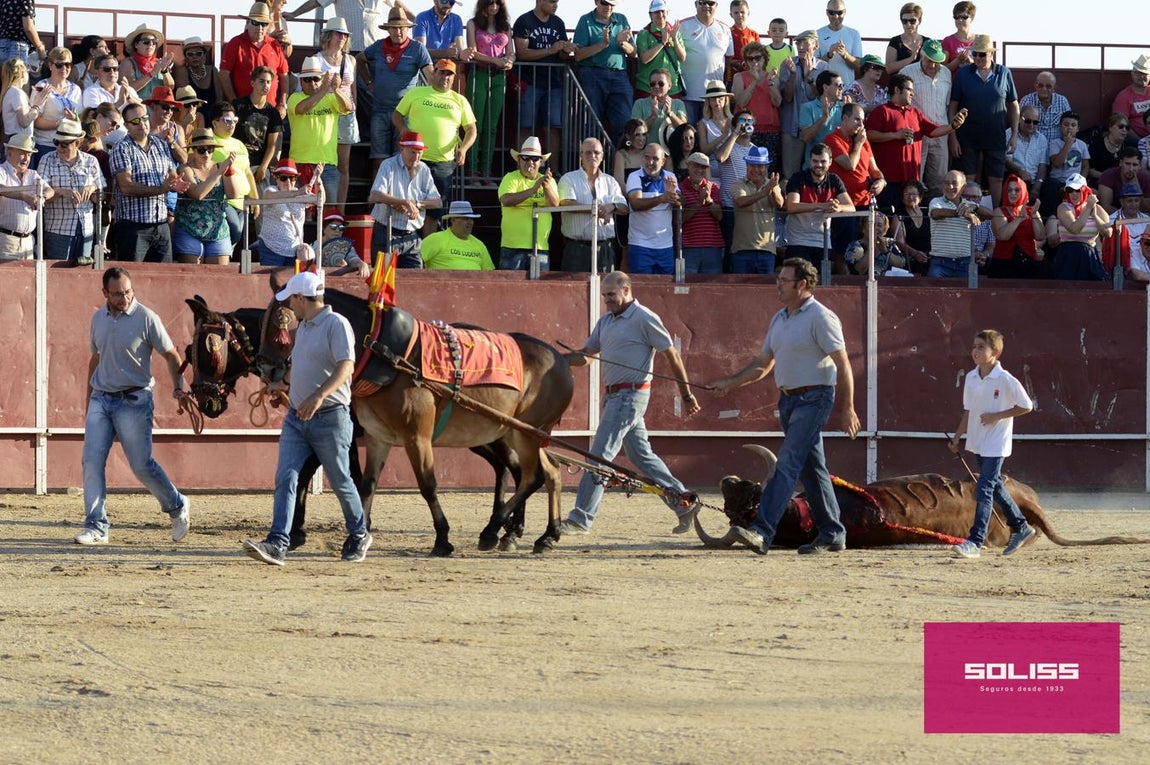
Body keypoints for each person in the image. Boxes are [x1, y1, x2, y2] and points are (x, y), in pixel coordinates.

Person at [707, 256, 860, 555]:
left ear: (802, 284)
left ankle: (762, 532)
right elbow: (763, 365)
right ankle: (832, 532)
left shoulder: (821, 316)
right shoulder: (780, 318)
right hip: (789, 400)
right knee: (812, 469)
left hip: (815, 398)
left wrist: (848, 407)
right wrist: (730, 383)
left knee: (787, 465)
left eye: (783, 280)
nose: (777, 283)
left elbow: (843, 364)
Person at [243, 271, 373, 566]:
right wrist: (282, 384)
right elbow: (299, 366)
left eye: (292, 299)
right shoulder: (304, 328)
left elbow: (346, 367)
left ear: (302, 298)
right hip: (297, 417)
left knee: (341, 480)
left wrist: (318, 396)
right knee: (286, 478)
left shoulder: (336, 324)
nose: (289, 305)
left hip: (330, 417)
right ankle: (278, 542)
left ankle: (359, 533)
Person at [559, 271, 702, 535]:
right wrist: (558, 359)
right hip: (615, 396)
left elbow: (672, 355)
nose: (607, 300)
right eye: (604, 296)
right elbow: (587, 357)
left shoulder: (644, 318)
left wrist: (686, 394)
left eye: (611, 295)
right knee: (642, 457)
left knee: (599, 457)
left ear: (626, 290)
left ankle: (580, 519)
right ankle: (684, 502)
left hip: (630, 396)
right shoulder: (605, 322)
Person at [76, 266, 191, 546]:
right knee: (91, 462)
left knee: (141, 466)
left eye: (128, 292)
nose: (124, 298)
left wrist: (179, 386)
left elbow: (171, 354)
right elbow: (96, 358)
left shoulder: (146, 318)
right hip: (101, 399)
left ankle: (177, 506)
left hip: (134, 400)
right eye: (117, 294)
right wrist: (88, 398)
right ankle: (97, 526)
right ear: (105, 293)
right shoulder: (97, 318)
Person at [948, 329, 1035, 559]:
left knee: (984, 488)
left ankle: (975, 541)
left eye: (980, 347)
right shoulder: (971, 377)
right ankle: (1021, 526)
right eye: (974, 346)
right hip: (977, 440)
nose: (974, 351)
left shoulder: (1006, 379)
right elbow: (968, 410)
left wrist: (997, 416)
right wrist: (958, 437)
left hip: (997, 442)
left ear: (994, 352)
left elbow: (1026, 406)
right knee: (994, 485)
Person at [866, 73, 964, 211]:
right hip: (889, 180)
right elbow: (869, 135)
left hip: (912, 181)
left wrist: (953, 126)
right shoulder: (882, 111)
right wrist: (896, 135)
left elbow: (933, 131)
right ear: (897, 90)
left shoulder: (915, 113)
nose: (912, 94)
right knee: (891, 217)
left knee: (910, 220)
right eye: (909, 90)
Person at [393, 58, 476, 215]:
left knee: (435, 210)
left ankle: (428, 240)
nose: (445, 77)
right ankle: (409, 238)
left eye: (449, 74)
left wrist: (464, 149)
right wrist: (403, 130)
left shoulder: (460, 100)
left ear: (454, 77)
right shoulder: (416, 92)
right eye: (442, 72)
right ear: (434, 73)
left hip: (443, 163)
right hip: (414, 158)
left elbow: (471, 129)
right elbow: (396, 115)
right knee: (408, 204)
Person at [110, 101, 186, 262]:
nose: (142, 124)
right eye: (135, 121)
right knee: (132, 277)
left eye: (144, 118)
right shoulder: (121, 148)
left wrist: (175, 184)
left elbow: (172, 175)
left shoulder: (160, 144)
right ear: (127, 125)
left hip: (161, 224)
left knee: (164, 280)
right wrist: (161, 189)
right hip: (133, 226)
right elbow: (126, 186)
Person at [948, 34, 1018, 206]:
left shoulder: (1004, 73)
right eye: (975, 54)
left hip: (995, 135)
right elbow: (952, 107)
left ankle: (995, 216)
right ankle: (966, 215)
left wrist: (1014, 134)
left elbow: (1014, 105)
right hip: (967, 136)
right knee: (968, 179)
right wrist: (953, 137)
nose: (977, 58)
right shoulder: (963, 74)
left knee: (996, 179)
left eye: (982, 54)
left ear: (991, 54)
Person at [359, 6, 432, 167]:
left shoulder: (418, 49)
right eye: (394, 28)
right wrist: (369, 82)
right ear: (388, 30)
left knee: (402, 160)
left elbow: (431, 77)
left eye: (402, 28)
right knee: (379, 160)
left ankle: (398, 193)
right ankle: (377, 192)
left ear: (408, 29)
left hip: (405, 114)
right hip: (379, 111)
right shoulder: (378, 46)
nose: (398, 32)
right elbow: (360, 59)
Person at [367, 130, 441, 268]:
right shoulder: (388, 165)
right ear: (402, 149)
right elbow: (375, 195)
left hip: (412, 237)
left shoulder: (424, 169)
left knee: (415, 282)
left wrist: (416, 204)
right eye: (412, 152)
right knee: (383, 281)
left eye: (420, 152)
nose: (416, 156)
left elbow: (437, 202)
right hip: (387, 233)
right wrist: (402, 202)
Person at [38, 118, 102, 264]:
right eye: (56, 142)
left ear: (78, 143)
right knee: (57, 276)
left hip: (86, 229)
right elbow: (40, 194)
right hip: (58, 230)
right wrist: (61, 192)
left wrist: (93, 187)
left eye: (64, 144)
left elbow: (102, 193)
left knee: (83, 275)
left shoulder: (91, 161)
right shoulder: (46, 160)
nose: (59, 147)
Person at [287, 56, 351, 203]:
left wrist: (336, 89)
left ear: (322, 79)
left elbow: (348, 107)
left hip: (327, 163)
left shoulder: (330, 98)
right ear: (301, 82)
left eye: (315, 79)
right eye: (307, 79)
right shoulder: (295, 97)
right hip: (301, 162)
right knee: (301, 210)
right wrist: (322, 91)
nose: (312, 83)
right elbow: (301, 109)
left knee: (329, 208)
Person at [558, 137, 626, 272]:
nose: (592, 156)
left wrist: (611, 206)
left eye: (596, 152)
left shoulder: (610, 181)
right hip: (576, 249)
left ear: (602, 156)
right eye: (588, 152)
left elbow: (624, 207)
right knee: (573, 291)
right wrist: (597, 209)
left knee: (605, 291)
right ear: (580, 156)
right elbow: (566, 204)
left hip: (605, 248)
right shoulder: (568, 178)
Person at [512, 0, 575, 143]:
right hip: (529, 82)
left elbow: (561, 56)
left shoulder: (558, 23)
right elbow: (521, 53)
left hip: (553, 83)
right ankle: (522, 164)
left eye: (557, 2)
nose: (556, 5)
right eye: (552, 1)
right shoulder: (524, 21)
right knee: (525, 127)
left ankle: (555, 166)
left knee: (553, 128)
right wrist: (550, 50)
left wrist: (565, 50)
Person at [572, 0, 635, 142]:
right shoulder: (585, 20)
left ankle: (620, 162)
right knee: (590, 124)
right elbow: (578, 55)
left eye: (612, 4)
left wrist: (622, 43)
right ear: (596, 2)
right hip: (591, 75)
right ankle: (591, 163)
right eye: (604, 3)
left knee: (624, 124)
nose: (609, 7)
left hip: (619, 76)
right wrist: (603, 44)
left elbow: (633, 52)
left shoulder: (622, 19)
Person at [173, 128, 238, 265]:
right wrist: (219, 173)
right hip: (188, 228)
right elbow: (197, 194)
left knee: (220, 277)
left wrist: (229, 170)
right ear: (193, 150)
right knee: (190, 276)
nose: (207, 154)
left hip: (218, 230)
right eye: (202, 150)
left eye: (210, 149)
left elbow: (233, 195)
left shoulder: (220, 167)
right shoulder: (185, 169)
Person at [784, 142, 853, 269]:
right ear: (809, 161)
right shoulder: (798, 178)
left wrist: (838, 208)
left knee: (822, 282)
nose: (819, 165)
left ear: (830, 161)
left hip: (823, 243)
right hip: (798, 241)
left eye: (823, 161)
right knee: (799, 280)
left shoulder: (834, 180)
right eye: (815, 161)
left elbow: (851, 207)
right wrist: (822, 206)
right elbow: (792, 207)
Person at [466, 0, 514, 178]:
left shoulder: (505, 26)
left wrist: (510, 61)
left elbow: (511, 52)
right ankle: (472, 169)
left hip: (498, 77)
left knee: (492, 127)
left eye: (498, 3)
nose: (494, 6)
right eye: (491, 2)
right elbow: (471, 51)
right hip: (478, 74)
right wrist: (494, 60)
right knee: (475, 123)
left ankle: (486, 171)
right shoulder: (473, 23)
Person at [314, 17, 358, 208]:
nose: (342, 37)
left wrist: (351, 107)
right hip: (324, 116)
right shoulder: (316, 59)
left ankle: (340, 210)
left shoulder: (351, 60)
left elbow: (353, 89)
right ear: (329, 35)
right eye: (338, 33)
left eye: (344, 34)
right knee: (322, 164)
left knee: (344, 165)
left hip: (346, 115)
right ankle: (322, 207)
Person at [498, 135, 558, 270]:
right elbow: (506, 200)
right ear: (519, 160)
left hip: (540, 247)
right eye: (525, 158)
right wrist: (533, 190)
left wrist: (546, 187)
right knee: (510, 289)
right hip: (512, 247)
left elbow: (554, 205)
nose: (530, 162)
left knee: (540, 290)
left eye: (535, 159)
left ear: (541, 162)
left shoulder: (548, 181)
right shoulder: (510, 177)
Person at [220, 3, 290, 115]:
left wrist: (283, 104)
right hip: (242, 111)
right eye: (255, 23)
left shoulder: (275, 45)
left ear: (268, 26)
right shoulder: (235, 43)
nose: (260, 28)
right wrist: (234, 102)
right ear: (248, 23)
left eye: (264, 24)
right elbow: (224, 74)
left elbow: (284, 76)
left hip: (270, 111)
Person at [902, 38, 951, 197]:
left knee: (939, 181)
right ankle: (913, 220)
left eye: (936, 61)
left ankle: (935, 218)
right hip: (917, 134)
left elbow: (948, 105)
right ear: (921, 55)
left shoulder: (946, 73)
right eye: (929, 60)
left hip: (940, 132)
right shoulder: (907, 72)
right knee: (914, 179)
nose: (932, 65)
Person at [206, 101, 258, 248]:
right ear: (215, 123)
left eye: (234, 121)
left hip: (242, 203)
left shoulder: (239, 144)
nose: (232, 125)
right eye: (227, 121)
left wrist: (255, 199)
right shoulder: (208, 142)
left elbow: (248, 172)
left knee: (232, 242)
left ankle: (222, 266)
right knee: (234, 233)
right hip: (222, 200)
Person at [776, 29, 825, 180]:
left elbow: (822, 99)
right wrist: (793, 75)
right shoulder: (787, 65)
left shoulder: (824, 68)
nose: (801, 47)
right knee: (790, 174)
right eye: (798, 43)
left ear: (816, 45)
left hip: (815, 129)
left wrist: (809, 78)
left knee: (817, 173)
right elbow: (787, 98)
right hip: (791, 127)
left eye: (805, 43)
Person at [625, 143, 679, 274]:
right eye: (647, 157)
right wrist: (662, 198)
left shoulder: (670, 177)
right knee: (642, 288)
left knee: (665, 290)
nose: (650, 162)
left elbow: (681, 202)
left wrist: (674, 196)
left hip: (665, 246)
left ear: (663, 161)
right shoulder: (635, 176)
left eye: (655, 158)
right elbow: (636, 204)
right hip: (640, 245)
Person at [253, 158, 315, 267]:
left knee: (291, 283)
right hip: (271, 248)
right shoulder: (271, 190)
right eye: (283, 178)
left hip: (294, 251)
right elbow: (268, 197)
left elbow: (320, 200)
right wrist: (298, 193)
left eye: (292, 178)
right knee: (270, 282)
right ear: (276, 178)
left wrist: (318, 179)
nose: (288, 182)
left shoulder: (299, 193)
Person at [730, 144, 782, 273]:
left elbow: (780, 204)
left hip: (766, 250)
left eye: (760, 166)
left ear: (767, 167)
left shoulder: (772, 184)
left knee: (765, 292)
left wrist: (772, 189)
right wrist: (764, 192)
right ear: (746, 165)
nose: (755, 169)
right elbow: (741, 202)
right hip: (742, 249)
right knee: (740, 292)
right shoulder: (738, 184)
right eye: (752, 165)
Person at [679, 0, 733, 125]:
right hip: (688, 94)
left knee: (711, 136)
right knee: (688, 136)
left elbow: (729, 60)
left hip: (714, 96)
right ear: (695, 4)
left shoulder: (725, 29)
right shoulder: (682, 26)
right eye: (702, 3)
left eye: (710, 3)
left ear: (716, 6)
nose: (706, 6)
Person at [1049, 173, 1110, 281]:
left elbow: (1108, 233)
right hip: (1068, 255)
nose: (1074, 194)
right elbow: (1074, 229)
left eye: (1077, 190)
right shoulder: (1063, 207)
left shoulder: (1097, 209)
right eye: (1070, 190)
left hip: (1089, 255)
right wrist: (1088, 210)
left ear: (1085, 190)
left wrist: (1095, 215)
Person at [31, 46, 83, 167]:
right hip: (46, 145)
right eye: (59, 65)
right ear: (50, 66)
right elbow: (35, 121)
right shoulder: (42, 87)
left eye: (68, 64)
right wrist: (60, 123)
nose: (64, 68)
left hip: (70, 146)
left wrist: (74, 119)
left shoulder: (76, 89)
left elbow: (80, 118)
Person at [731, 41, 782, 164]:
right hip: (746, 130)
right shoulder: (739, 77)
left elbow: (777, 102)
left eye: (757, 58)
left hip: (770, 130)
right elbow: (741, 102)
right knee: (746, 168)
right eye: (750, 59)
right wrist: (755, 81)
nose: (754, 62)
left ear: (764, 59)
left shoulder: (772, 77)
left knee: (769, 169)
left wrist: (769, 82)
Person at [231, 66, 282, 186]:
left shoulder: (273, 113)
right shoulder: (238, 106)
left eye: (269, 82)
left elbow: (272, 146)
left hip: (259, 166)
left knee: (259, 204)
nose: (266, 85)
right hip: (237, 164)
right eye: (262, 81)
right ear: (252, 82)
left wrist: (263, 168)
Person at [988, 173, 1045, 279]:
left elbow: (1041, 236)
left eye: (1017, 190)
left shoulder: (1032, 211)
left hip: (1028, 263)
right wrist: (1019, 219)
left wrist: (1033, 216)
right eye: (1009, 190)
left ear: (1023, 191)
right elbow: (1002, 236)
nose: (1013, 193)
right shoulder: (999, 211)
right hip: (1004, 264)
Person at [0, 133, 48, 259]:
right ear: (9, 152)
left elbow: (50, 190)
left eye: (29, 154)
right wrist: (24, 196)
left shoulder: (33, 174)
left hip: (28, 242)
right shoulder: (1, 171)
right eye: (22, 153)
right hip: (6, 241)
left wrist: (42, 197)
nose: (26, 158)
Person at [927, 169, 981, 277]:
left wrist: (975, 207)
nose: (950, 187)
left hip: (965, 262)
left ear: (963, 187)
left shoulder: (969, 205)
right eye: (946, 183)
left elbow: (990, 214)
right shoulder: (936, 202)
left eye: (954, 183)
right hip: (940, 262)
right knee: (934, 292)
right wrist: (964, 213)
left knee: (966, 294)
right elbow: (936, 213)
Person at [679, 151, 723, 273]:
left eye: (703, 167)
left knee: (712, 289)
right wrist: (698, 203)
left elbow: (719, 216)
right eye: (696, 166)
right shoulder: (680, 188)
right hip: (688, 247)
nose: (699, 170)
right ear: (688, 166)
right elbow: (679, 219)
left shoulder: (713, 187)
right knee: (687, 288)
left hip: (712, 247)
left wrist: (708, 200)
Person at [421, 200, 495, 270]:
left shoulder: (479, 244)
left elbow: (490, 273)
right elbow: (416, 260)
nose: (470, 222)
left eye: (471, 219)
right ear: (453, 220)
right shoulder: (436, 239)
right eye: (465, 219)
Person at [1042, 110, 1089, 218]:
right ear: (1060, 126)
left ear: (1078, 128)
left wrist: (1082, 181)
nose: (1069, 128)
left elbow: (1086, 166)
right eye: (1066, 124)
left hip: (1074, 182)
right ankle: (1051, 218)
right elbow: (1057, 163)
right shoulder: (1054, 143)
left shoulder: (1082, 145)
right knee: (1051, 186)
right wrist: (1067, 145)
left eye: (1073, 125)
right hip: (1058, 181)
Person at [634, 0, 685, 101]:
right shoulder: (643, 34)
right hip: (648, 88)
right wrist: (662, 42)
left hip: (672, 88)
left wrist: (674, 38)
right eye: (656, 12)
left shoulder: (675, 33)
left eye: (663, 11)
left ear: (667, 13)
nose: (660, 14)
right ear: (650, 15)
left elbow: (682, 58)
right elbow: (644, 58)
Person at [799, 70, 844, 170]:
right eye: (838, 85)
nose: (842, 88)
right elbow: (806, 137)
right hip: (815, 169)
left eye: (842, 85)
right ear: (826, 87)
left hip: (839, 168)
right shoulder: (808, 108)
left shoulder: (844, 107)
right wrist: (824, 118)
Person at [632, 68, 687, 146]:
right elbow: (634, 132)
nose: (656, 86)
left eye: (661, 83)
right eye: (653, 84)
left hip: (670, 153)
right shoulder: (639, 103)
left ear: (669, 85)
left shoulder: (678, 103)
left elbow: (684, 129)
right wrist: (653, 117)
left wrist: (670, 114)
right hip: (647, 153)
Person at [1003, 105, 1048, 202]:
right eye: (1028, 121)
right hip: (1015, 176)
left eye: (1035, 122)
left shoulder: (1041, 139)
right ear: (1019, 119)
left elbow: (1042, 166)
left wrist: (1038, 184)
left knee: (1052, 185)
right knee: (1018, 182)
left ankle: (1049, 217)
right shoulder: (1009, 134)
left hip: (1035, 180)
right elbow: (1006, 161)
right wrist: (1020, 171)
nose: (1031, 124)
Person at [119, 24, 174, 101]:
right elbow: (126, 89)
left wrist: (164, 71)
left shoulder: (159, 62)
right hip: (138, 110)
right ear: (136, 44)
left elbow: (171, 87)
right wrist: (153, 73)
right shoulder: (128, 63)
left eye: (154, 41)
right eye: (146, 41)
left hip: (158, 110)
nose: (151, 44)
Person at [2, 56, 48, 143]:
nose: (29, 72)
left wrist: (36, 102)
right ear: (22, 73)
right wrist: (37, 106)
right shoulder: (16, 93)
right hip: (19, 143)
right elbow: (24, 122)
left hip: (18, 141)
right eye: (27, 70)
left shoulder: (13, 92)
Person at [1018, 71, 1070, 144]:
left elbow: (1069, 125)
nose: (1044, 89)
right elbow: (1018, 124)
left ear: (1054, 88)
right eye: (1040, 85)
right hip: (1033, 146)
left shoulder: (1062, 101)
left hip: (1056, 147)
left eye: (1048, 86)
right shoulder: (1026, 100)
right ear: (1036, 86)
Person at [816, 0, 861, 84]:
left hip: (846, 90)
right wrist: (829, 54)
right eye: (831, 12)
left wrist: (845, 55)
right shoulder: (818, 34)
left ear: (845, 12)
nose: (836, 16)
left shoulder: (854, 34)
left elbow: (858, 66)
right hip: (825, 91)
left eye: (839, 12)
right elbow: (814, 66)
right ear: (827, 12)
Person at [173, 37, 224, 111]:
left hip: (213, 116)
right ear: (185, 57)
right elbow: (185, 98)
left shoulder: (213, 70)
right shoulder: (182, 71)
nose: (195, 57)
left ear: (204, 55)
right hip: (192, 115)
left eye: (199, 54)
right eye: (190, 54)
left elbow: (220, 98)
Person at [892, 179, 930, 274]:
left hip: (930, 257)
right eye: (906, 194)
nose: (910, 197)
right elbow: (899, 242)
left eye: (914, 194)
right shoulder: (899, 216)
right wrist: (916, 254)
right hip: (909, 260)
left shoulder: (928, 214)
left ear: (920, 197)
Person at [1097, 147, 1150, 213]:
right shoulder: (1108, 175)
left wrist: (1136, 187)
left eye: (1135, 165)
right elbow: (1105, 207)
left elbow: (1146, 208)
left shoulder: (1146, 178)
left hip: (1140, 217)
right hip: (1113, 217)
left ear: (1140, 166)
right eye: (1127, 164)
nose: (1131, 169)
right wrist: (1126, 217)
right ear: (1121, 163)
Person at [1112, 55, 1150, 142]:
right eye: (1138, 73)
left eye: (1144, 73)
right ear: (1132, 73)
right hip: (1135, 141)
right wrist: (1140, 142)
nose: (1141, 76)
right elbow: (1119, 123)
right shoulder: (1123, 97)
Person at [1088, 113, 1131, 187]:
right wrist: (1109, 177)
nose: (1124, 130)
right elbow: (1090, 171)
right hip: (1101, 182)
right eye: (1121, 126)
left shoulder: (1128, 145)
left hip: (1123, 183)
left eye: (1127, 128)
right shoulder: (1096, 145)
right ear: (1110, 128)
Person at [0, 0, 47, 66]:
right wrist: (40, 47)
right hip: (17, 46)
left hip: (2, 45)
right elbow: (28, 28)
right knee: (17, 75)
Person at [885, 3, 923, 76]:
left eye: (912, 21)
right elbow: (889, 68)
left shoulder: (927, 42)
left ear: (919, 21)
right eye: (904, 21)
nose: (908, 24)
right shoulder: (895, 41)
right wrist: (911, 58)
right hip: (899, 84)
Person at [725, 0, 757, 80]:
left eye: (742, 12)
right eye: (736, 13)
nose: (739, 15)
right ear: (731, 15)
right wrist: (733, 63)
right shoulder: (727, 33)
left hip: (750, 75)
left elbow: (760, 55)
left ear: (748, 13)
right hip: (732, 76)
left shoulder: (754, 34)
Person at [941, 1, 976, 73]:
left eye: (964, 17)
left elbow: (987, 67)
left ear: (972, 18)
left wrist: (971, 62)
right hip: (954, 83)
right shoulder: (948, 41)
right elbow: (942, 71)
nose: (960, 20)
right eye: (956, 17)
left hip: (975, 84)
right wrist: (958, 60)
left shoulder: (980, 41)